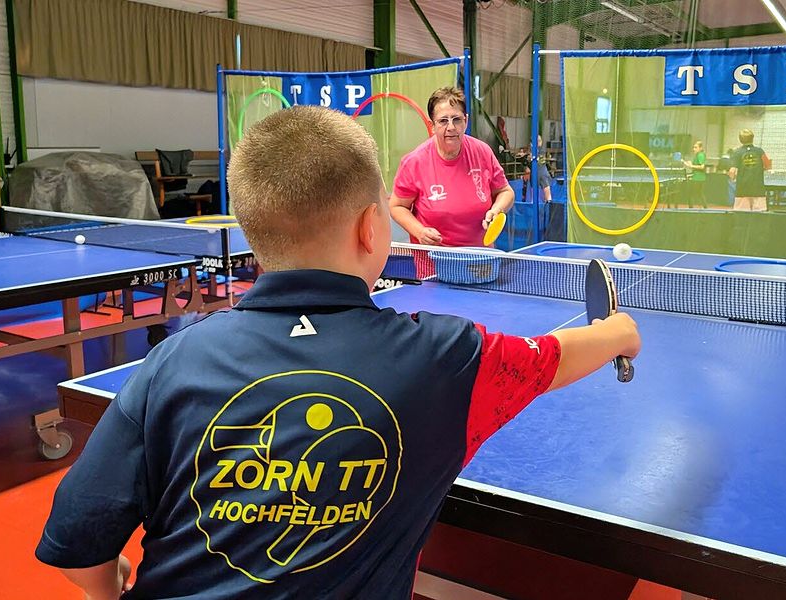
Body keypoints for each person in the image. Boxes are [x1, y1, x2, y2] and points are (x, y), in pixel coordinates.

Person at [35, 105, 641, 599]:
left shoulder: (172, 361)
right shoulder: (445, 357)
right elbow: (556, 355)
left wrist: (106, 591)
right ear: (369, 229)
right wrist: (619, 331)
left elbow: (77, 536)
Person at [391, 87, 515, 246]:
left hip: (480, 259)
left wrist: (497, 209)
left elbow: (505, 191)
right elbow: (397, 206)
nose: (451, 127)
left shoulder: (482, 152)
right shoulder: (414, 162)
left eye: (457, 119)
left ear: (466, 121)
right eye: (443, 121)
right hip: (434, 260)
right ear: (432, 126)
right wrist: (419, 231)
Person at [729, 129, 772, 212]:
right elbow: (768, 166)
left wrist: (733, 179)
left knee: (742, 215)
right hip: (758, 188)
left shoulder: (737, 152)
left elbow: (732, 171)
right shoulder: (760, 151)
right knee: (759, 215)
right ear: (752, 138)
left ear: (740, 139)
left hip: (742, 189)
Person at [682, 140, 707, 208]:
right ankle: (705, 208)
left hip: (698, 178)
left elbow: (702, 166)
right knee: (699, 194)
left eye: (696, 147)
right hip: (698, 177)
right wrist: (687, 163)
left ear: (700, 148)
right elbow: (694, 166)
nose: (694, 149)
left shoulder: (700, 155)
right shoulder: (697, 155)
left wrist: (691, 166)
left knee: (691, 193)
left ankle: (691, 209)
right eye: (693, 147)